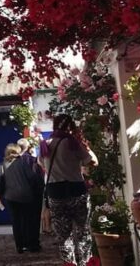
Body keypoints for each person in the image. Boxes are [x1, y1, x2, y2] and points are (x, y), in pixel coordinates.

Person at [41, 114, 98, 266]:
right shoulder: (72, 143)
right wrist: (86, 147)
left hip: (55, 192)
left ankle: (69, 263)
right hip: (76, 190)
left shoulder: (45, 144)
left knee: (63, 235)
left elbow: (42, 164)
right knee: (83, 232)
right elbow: (93, 161)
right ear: (70, 127)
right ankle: (86, 262)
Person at [0, 142, 43, 254]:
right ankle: (29, 243)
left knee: (16, 221)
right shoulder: (22, 163)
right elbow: (32, 177)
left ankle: (19, 246)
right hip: (26, 195)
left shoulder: (3, 165)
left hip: (10, 197)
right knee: (26, 220)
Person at [17, 138, 46, 246]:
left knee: (22, 218)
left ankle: (24, 242)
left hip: (19, 193)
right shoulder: (33, 160)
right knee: (34, 218)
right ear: (28, 147)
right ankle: (34, 242)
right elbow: (40, 176)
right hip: (34, 193)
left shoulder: (14, 161)